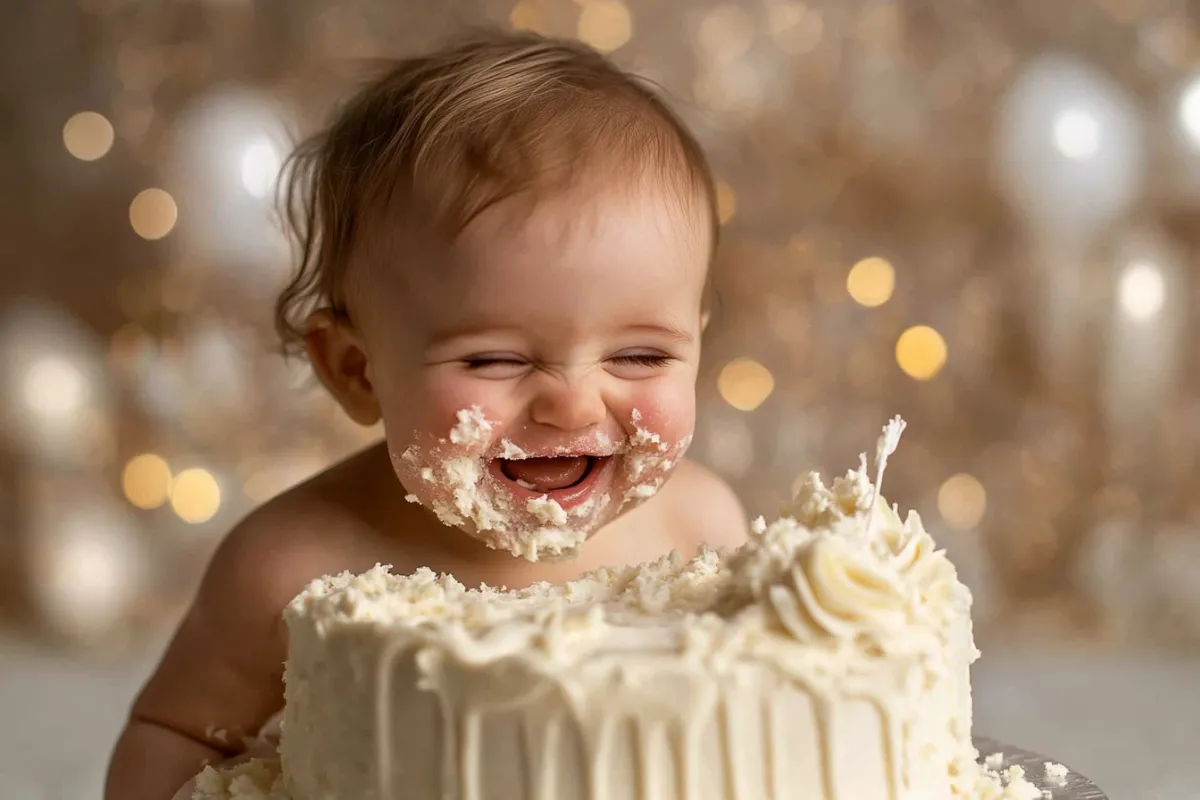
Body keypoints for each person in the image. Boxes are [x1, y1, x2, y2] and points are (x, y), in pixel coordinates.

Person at [104, 29, 748, 799]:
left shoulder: (697, 533)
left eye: (641, 356)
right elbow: (175, 736)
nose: (574, 402)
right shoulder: (293, 569)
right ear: (356, 369)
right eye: (495, 360)